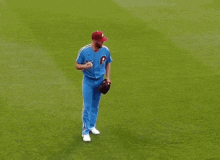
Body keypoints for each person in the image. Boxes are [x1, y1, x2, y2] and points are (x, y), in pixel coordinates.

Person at [75, 31, 112, 142]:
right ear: (95, 40)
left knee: (95, 105)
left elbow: (108, 63)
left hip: (99, 81)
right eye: (101, 40)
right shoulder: (84, 51)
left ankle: (91, 126)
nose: (103, 42)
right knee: (87, 106)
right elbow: (77, 66)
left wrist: (108, 77)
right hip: (88, 82)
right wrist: (84, 66)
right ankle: (85, 132)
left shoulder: (105, 50)